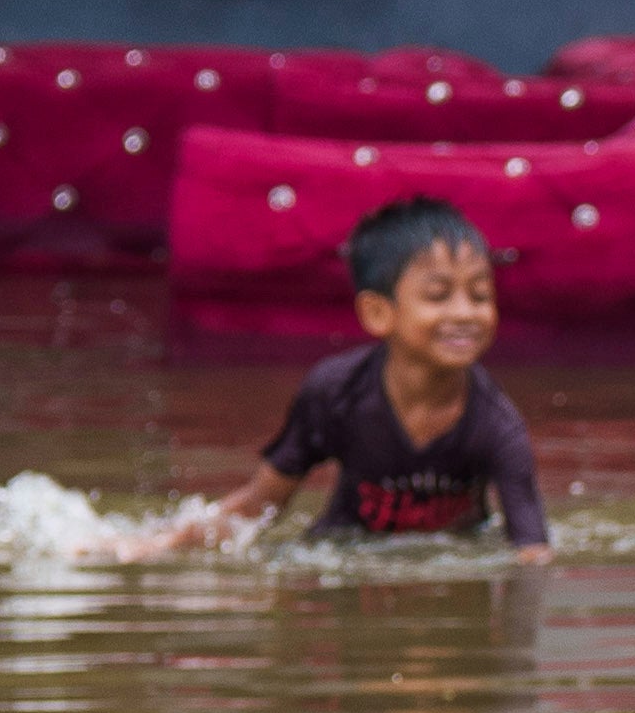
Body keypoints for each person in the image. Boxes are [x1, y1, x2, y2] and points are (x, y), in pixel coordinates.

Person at [232, 194, 551, 552]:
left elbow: (532, 550)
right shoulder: (334, 393)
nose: (465, 313)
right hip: (342, 562)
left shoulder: (497, 425)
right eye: (438, 295)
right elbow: (259, 506)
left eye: (479, 296)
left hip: (451, 580)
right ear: (377, 313)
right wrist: (174, 541)